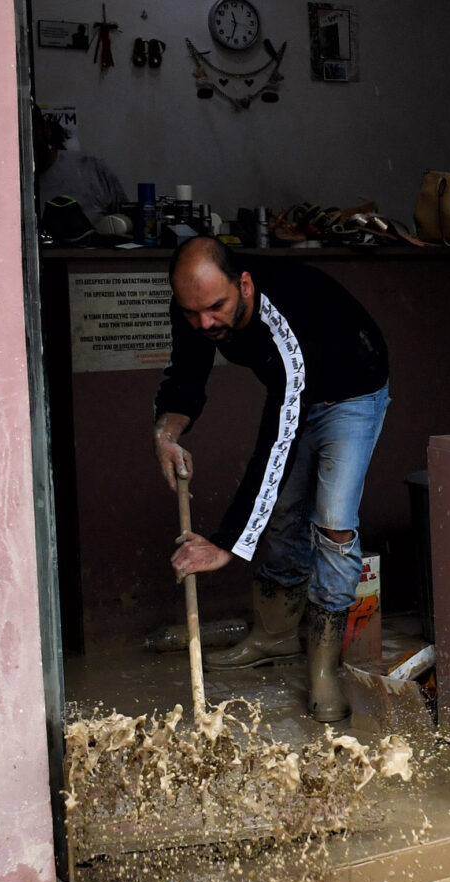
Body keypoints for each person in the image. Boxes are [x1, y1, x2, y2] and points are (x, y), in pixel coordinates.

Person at [156, 237, 392, 722]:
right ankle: (276, 634)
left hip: (352, 392)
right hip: (297, 391)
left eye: (216, 307)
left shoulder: (283, 316)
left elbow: (276, 441)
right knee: (283, 510)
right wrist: (167, 431)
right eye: (193, 312)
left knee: (333, 523)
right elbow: (187, 372)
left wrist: (226, 544)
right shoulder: (198, 308)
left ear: (243, 285)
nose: (205, 322)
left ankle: (325, 665)